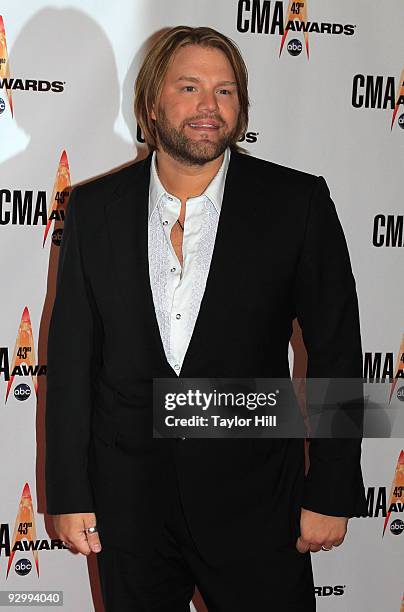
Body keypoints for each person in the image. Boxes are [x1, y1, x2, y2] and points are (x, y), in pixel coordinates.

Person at [45, 25, 367, 612]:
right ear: (150, 103)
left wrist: (332, 490)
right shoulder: (93, 211)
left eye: (225, 91)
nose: (208, 107)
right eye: (188, 87)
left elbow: (338, 350)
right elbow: (70, 363)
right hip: (130, 506)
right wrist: (69, 492)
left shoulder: (297, 204)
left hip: (258, 502)